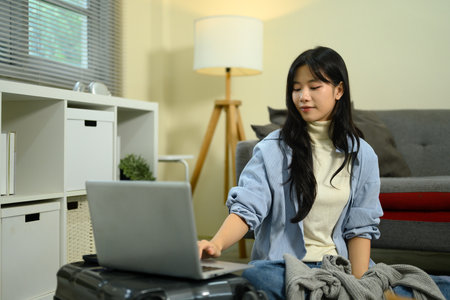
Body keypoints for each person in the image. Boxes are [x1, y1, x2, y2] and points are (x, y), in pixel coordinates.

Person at [197, 46, 411, 299]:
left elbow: (361, 228)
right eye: (297, 88)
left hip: (339, 267)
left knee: (429, 283)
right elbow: (247, 208)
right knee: (255, 276)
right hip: (283, 266)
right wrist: (216, 244)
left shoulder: (362, 154)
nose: (303, 96)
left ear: (338, 90)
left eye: (314, 86)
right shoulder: (271, 150)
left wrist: (361, 285)